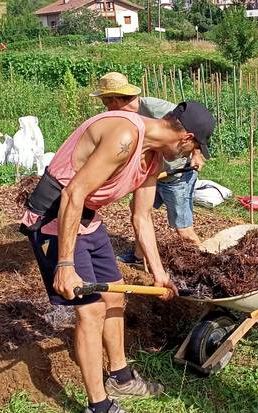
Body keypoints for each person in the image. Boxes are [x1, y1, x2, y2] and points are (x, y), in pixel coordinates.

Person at [20, 101, 216, 413]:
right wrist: (66, 264)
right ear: (185, 137)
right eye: (193, 147)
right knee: (92, 310)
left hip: (86, 218)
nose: (189, 155)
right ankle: (98, 406)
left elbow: (142, 218)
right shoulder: (125, 135)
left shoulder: (153, 159)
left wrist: (159, 273)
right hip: (54, 216)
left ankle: (121, 378)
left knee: (115, 296)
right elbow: (72, 193)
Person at [88, 72, 206, 267]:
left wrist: (196, 154)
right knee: (137, 210)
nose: (105, 108)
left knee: (182, 229)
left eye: (106, 102)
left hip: (174, 177)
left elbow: (193, 130)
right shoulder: (123, 117)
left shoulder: (156, 108)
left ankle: (206, 262)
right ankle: (139, 255)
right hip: (152, 174)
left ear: (116, 99)